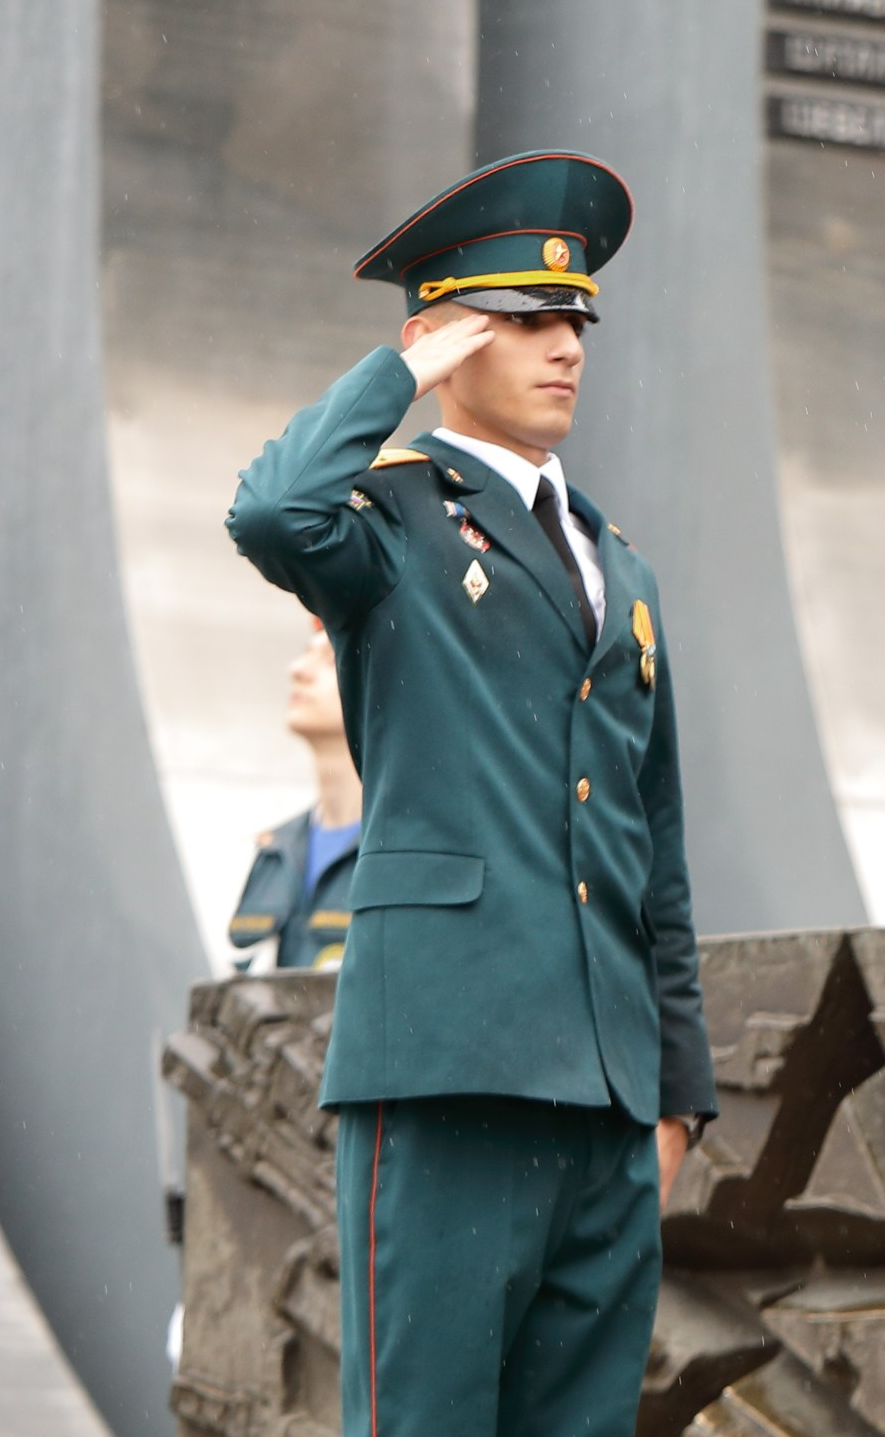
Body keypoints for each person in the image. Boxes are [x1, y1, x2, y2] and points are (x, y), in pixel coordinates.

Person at [227, 151, 715, 1437]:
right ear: (446, 336)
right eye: (527, 321)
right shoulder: (388, 524)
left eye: (577, 323)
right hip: (448, 1070)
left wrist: (676, 1094)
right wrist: (402, 375)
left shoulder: (624, 566)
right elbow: (271, 506)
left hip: (606, 1102)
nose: (566, 346)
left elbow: (650, 841)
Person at [227, 621, 364, 971]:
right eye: (306, 653)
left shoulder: (398, 854)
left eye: (329, 658)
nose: (297, 670)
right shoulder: (274, 851)